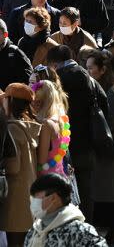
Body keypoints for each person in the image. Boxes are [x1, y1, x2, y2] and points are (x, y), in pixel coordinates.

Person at [84, 50, 114, 244]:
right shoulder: (105, 88)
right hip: (109, 151)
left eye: (90, 68)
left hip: (112, 151)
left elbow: (109, 123)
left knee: (112, 192)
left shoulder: (112, 92)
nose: (88, 72)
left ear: (102, 70)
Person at [1, 82, 41, 247]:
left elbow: (14, 166)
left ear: (11, 101)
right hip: (28, 196)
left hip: (15, 199)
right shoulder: (29, 126)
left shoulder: (13, 129)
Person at [23, 174, 107, 247]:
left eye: (36, 197)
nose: (33, 201)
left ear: (53, 198)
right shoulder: (35, 231)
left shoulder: (78, 231)